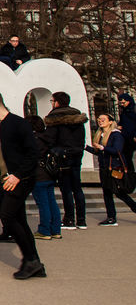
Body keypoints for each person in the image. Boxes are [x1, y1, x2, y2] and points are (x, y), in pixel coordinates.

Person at [0, 91, 45, 279]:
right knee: (19, 219)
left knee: (8, 216)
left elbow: (33, 153)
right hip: (6, 179)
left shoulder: (18, 123)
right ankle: (33, 261)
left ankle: (31, 260)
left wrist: (17, 175)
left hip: (19, 180)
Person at [43, 91, 88, 230]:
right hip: (77, 153)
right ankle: (81, 220)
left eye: (52, 101)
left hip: (62, 155)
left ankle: (69, 219)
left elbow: (50, 139)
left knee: (66, 189)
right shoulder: (77, 117)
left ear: (57, 102)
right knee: (77, 188)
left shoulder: (54, 117)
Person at [87, 111, 136, 225]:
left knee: (119, 193)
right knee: (107, 193)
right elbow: (99, 153)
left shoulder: (115, 134)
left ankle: (115, 216)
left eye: (103, 119)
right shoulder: (100, 135)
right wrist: (86, 148)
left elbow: (117, 150)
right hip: (104, 168)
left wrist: (102, 148)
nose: (100, 121)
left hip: (114, 168)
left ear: (110, 122)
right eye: (99, 119)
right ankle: (111, 217)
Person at [29, 115, 61, 240]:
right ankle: (55, 229)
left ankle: (44, 230)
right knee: (51, 202)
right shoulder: (47, 137)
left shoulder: (33, 139)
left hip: (38, 174)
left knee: (43, 204)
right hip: (49, 173)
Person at [118, 93, 136, 175]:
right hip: (126, 137)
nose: (122, 104)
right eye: (121, 103)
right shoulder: (124, 112)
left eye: (123, 103)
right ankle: (130, 175)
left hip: (132, 137)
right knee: (126, 157)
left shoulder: (133, 111)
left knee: (128, 157)